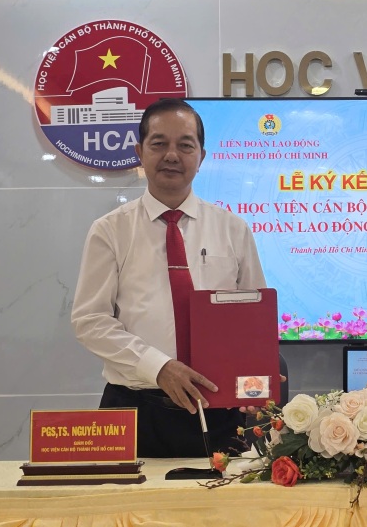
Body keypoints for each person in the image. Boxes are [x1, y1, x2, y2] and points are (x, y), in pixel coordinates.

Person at [72, 98, 267, 457]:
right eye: (159, 143)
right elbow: (90, 320)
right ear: (139, 152)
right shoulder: (110, 230)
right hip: (136, 408)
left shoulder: (233, 229)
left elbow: (253, 318)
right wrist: (158, 367)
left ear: (201, 157)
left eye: (185, 145)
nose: (172, 155)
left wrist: (257, 376)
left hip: (220, 410)